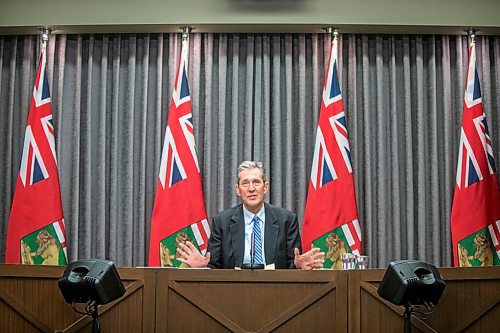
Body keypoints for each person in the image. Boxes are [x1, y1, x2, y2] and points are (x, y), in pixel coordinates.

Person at [177, 161, 325, 270]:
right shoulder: (222, 222)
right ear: (238, 190)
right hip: (233, 293)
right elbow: (214, 266)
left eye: (256, 182)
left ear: (265, 187)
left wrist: (298, 266)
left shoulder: (285, 220)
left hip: (277, 292)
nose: (251, 189)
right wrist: (201, 268)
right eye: (245, 183)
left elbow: (292, 263)